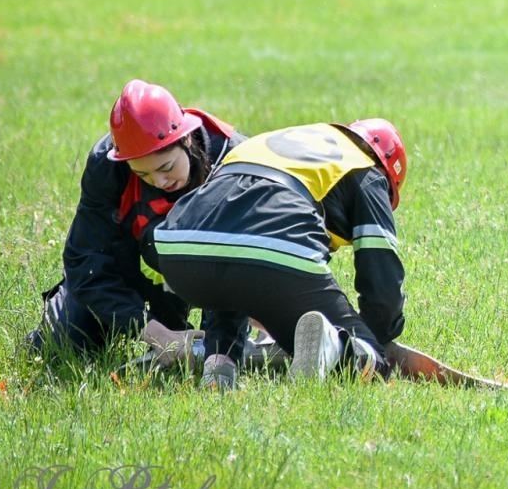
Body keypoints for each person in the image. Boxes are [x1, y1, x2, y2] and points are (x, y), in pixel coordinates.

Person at [152, 119, 409, 390]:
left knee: (233, 267)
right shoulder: (366, 168)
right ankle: (334, 345)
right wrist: (376, 336)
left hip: (176, 248)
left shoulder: (272, 145)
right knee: (370, 357)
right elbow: (383, 283)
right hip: (274, 245)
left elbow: (230, 239)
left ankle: (218, 367)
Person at [28, 80, 244, 364]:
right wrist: (155, 333)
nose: (160, 181)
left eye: (166, 167)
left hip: (219, 270)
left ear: (186, 140)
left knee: (215, 354)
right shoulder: (107, 166)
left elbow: (244, 259)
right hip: (134, 263)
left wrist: (218, 344)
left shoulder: (233, 159)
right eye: (143, 175)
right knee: (60, 346)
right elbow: (84, 261)